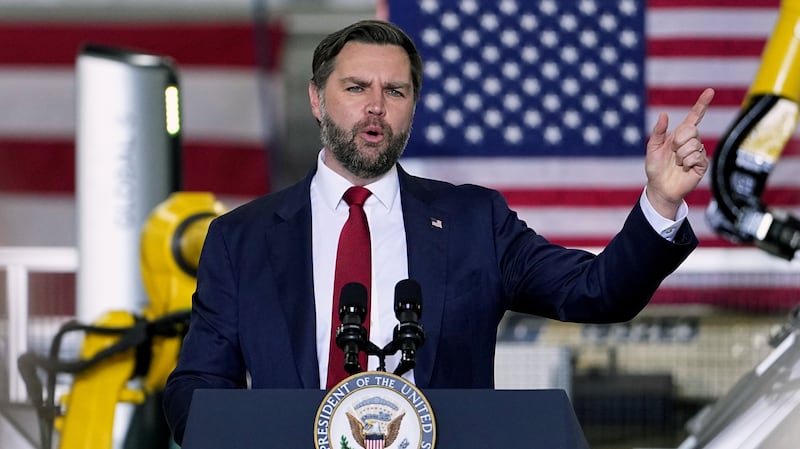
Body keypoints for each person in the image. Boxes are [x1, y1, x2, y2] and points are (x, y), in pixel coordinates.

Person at [163, 19, 714, 443]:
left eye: (396, 92)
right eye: (356, 87)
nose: (376, 106)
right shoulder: (242, 238)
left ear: (413, 107)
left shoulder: (475, 222)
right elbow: (196, 391)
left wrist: (662, 199)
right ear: (316, 98)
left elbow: (596, 292)